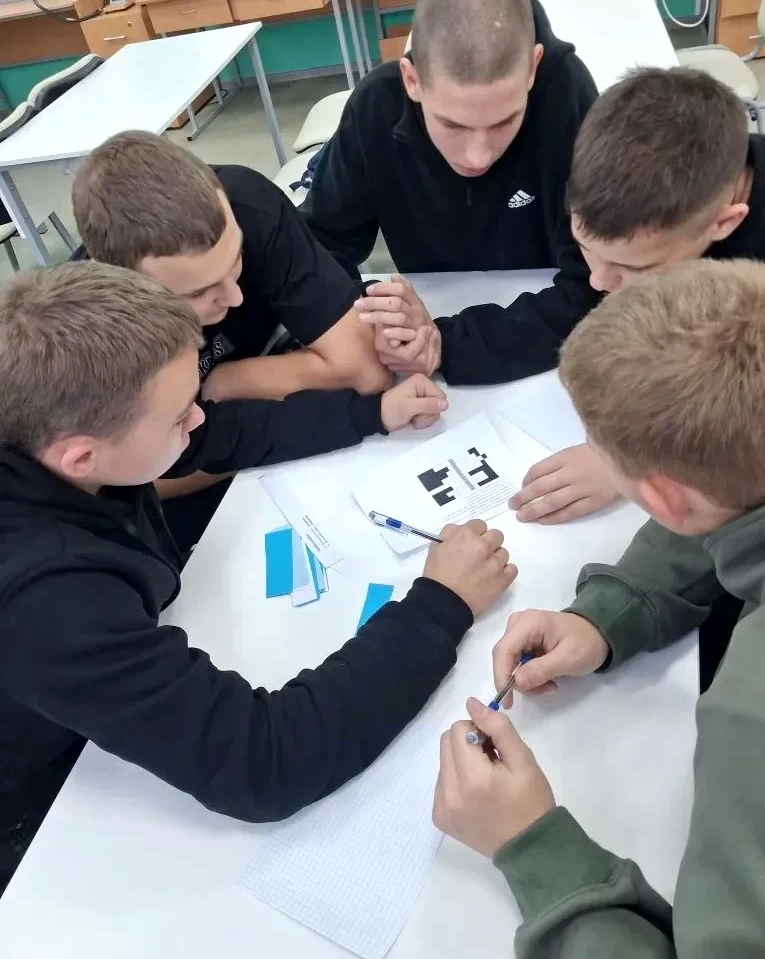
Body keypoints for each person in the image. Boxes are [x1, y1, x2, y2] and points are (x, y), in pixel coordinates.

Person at [0, 261, 517, 896]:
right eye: (179, 417)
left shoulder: (52, 426)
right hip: (41, 804)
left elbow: (227, 433)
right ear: (81, 456)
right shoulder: (48, 601)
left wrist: (370, 413)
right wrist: (441, 605)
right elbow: (265, 763)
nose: (199, 420)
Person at [434, 259, 765, 955]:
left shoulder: (748, 718)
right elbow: (732, 498)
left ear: (663, 499)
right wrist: (608, 614)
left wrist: (533, 847)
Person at [71, 131, 391, 551]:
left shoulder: (246, 204)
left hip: (260, 440)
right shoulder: (93, 334)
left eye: (237, 258)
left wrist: (230, 384)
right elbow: (144, 480)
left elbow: (364, 370)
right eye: (198, 293)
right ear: (126, 286)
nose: (235, 297)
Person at [301, 0, 599, 383]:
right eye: (452, 125)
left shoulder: (569, 97)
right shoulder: (375, 107)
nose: (478, 156)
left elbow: (599, 282)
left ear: (533, 68)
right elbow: (317, 249)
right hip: (433, 338)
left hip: (542, 352)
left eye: (504, 122)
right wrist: (373, 323)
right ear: (412, 80)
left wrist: (448, 343)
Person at [508, 66, 765, 526]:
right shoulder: (611, 197)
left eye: (635, 269)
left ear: (725, 223)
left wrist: (631, 463)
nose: (598, 282)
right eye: (587, 248)